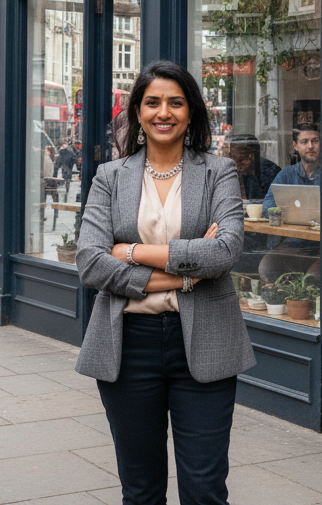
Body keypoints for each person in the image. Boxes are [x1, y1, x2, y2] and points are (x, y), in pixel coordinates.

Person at [75, 60, 254, 505]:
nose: (164, 112)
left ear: (191, 112)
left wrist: (132, 251)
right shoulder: (109, 178)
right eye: (152, 102)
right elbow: (90, 263)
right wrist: (187, 276)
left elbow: (225, 252)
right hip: (128, 344)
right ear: (137, 112)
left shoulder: (219, 172)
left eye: (176, 102)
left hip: (206, 341)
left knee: (206, 491)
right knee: (141, 491)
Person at [259, 124, 322, 283]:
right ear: (295, 146)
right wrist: (288, 213)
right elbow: (267, 208)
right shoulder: (286, 174)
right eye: (304, 142)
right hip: (293, 244)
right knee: (267, 268)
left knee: (314, 278)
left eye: (315, 141)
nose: (310, 146)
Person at [227, 133, 280, 201]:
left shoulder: (269, 171)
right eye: (233, 159)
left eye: (239, 160)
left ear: (251, 156)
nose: (237, 165)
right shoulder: (242, 171)